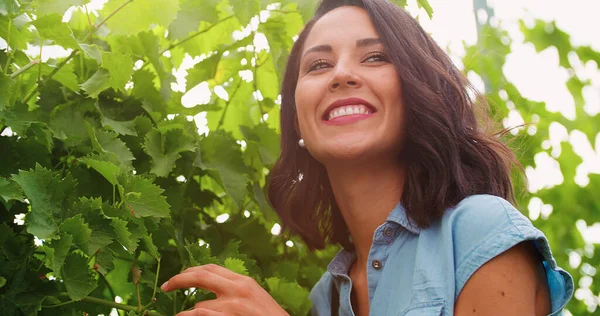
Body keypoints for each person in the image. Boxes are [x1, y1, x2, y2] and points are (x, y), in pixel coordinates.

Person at [160, 0, 574, 315]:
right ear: (298, 123)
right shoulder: (325, 298)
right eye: (318, 64)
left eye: (375, 56)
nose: (341, 74)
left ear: (418, 93)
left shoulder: (479, 231)